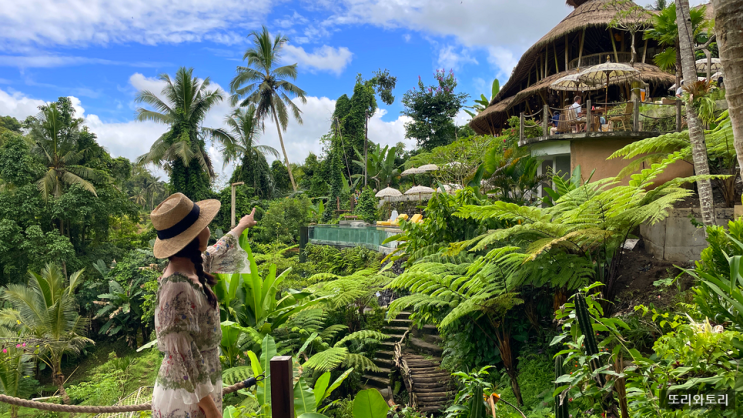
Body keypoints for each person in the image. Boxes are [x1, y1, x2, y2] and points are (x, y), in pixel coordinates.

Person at [150, 193, 257, 418]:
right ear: (194, 236)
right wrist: (211, 411)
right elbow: (182, 356)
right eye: (204, 225)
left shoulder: (192, 266)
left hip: (200, 390)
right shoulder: (176, 288)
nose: (208, 228)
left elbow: (219, 248)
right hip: (187, 398)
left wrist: (242, 225)